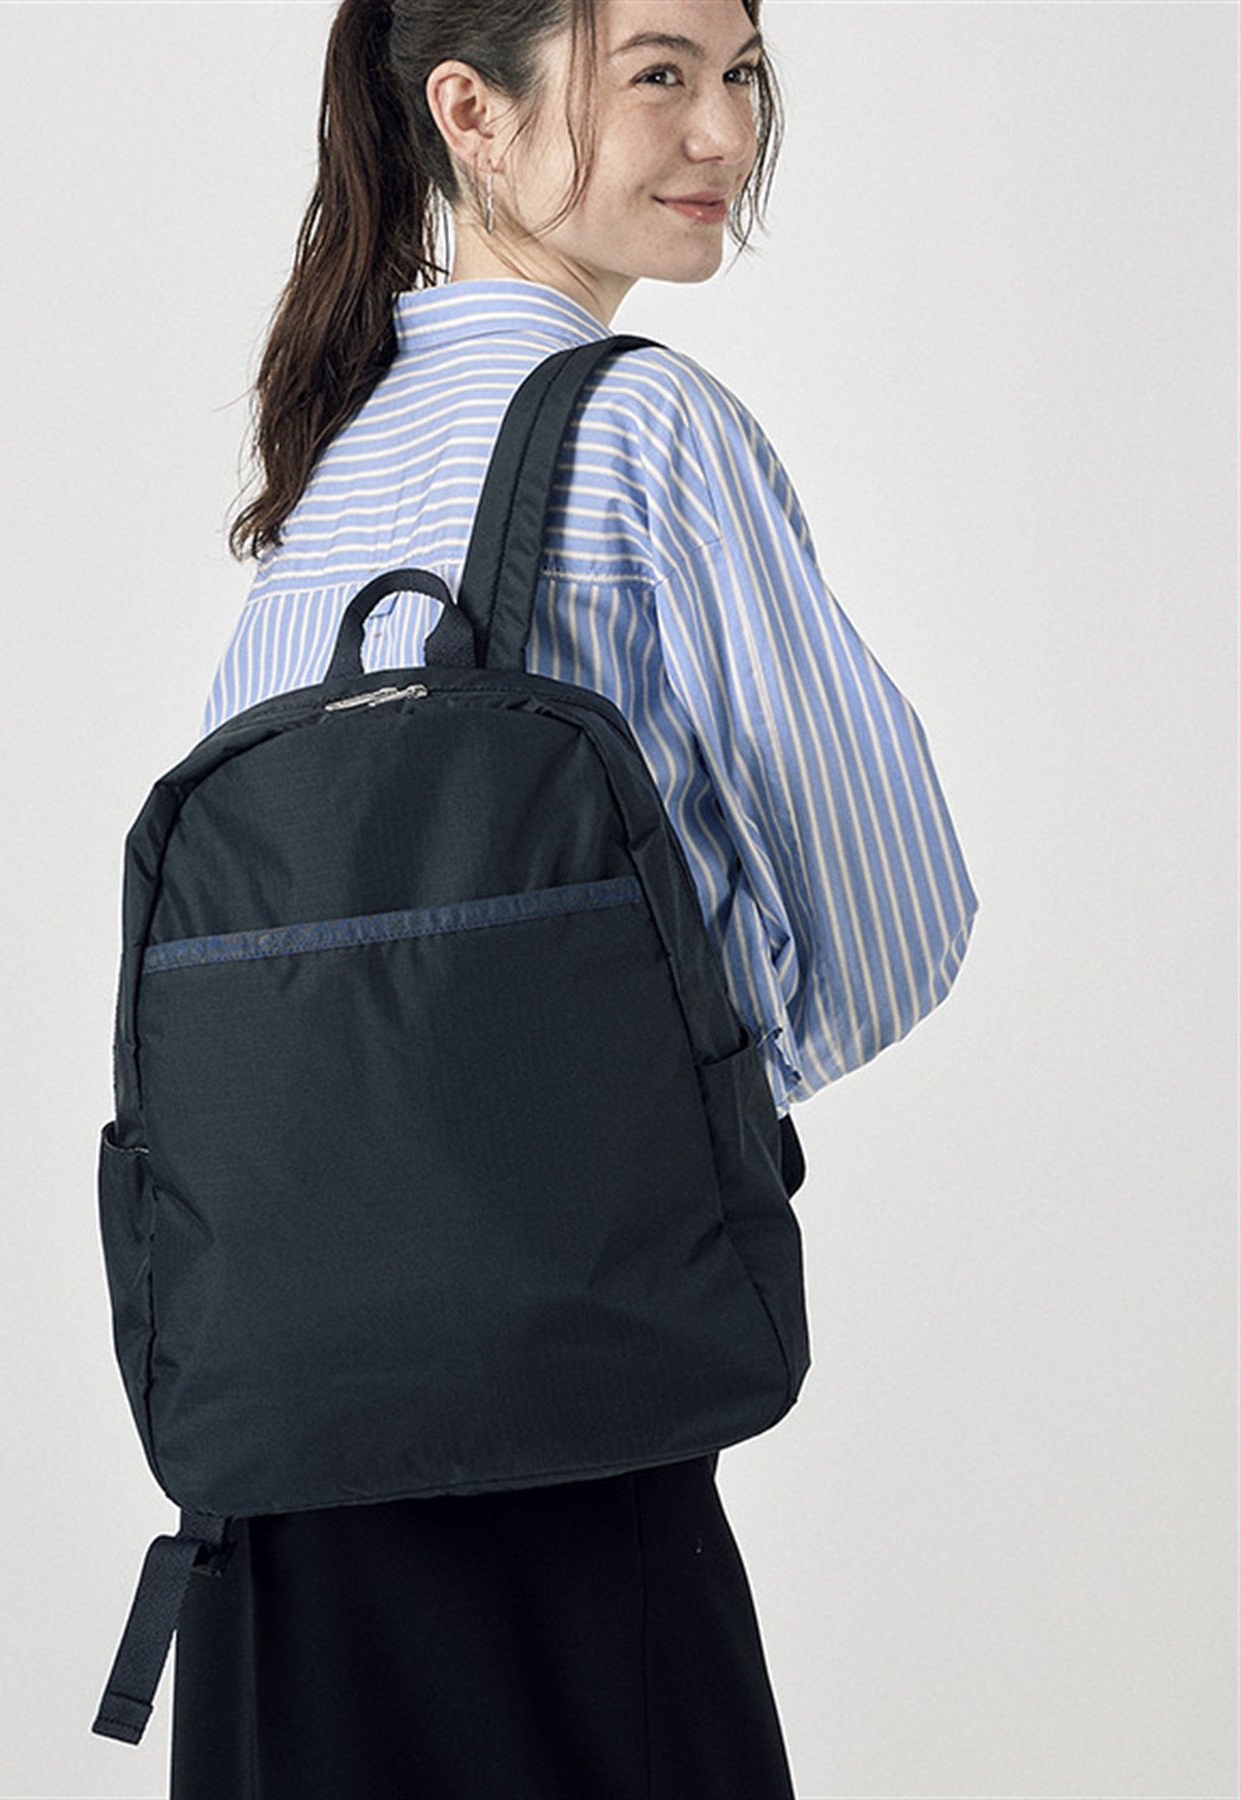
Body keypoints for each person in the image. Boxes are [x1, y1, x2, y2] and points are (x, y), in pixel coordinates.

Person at [172, 1, 977, 1795]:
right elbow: (897, 906)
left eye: (740, 74)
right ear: (471, 111)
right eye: (659, 74)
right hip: (561, 1451)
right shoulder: (651, 429)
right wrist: (643, 1120)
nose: (725, 135)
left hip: (274, 1482)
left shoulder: (330, 457)